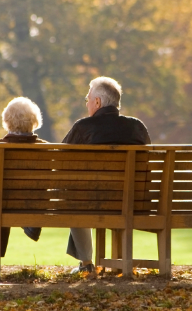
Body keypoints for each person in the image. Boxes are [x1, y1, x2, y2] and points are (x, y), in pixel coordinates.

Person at [62, 76, 151, 273]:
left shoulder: (83, 127)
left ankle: (86, 264)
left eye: (88, 99)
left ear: (97, 102)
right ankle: (105, 262)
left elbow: (59, 160)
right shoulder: (137, 127)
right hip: (135, 202)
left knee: (72, 194)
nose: (87, 104)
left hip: (92, 203)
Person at [0, 97, 46, 265]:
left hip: (1, 204)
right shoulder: (45, 148)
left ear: (7, 121)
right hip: (33, 206)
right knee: (5, 198)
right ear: (35, 121)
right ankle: (30, 223)